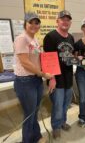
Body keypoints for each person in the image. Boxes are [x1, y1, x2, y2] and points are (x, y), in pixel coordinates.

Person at [13, 12, 53, 143]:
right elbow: (25, 63)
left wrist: (48, 66)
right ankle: (27, 140)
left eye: (37, 23)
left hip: (35, 80)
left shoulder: (34, 39)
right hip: (25, 82)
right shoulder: (21, 39)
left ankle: (36, 136)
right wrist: (42, 74)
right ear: (25, 23)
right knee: (29, 115)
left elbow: (37, 59)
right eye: (31, 22)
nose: (34, 25)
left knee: (34, 112)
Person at [43, 10, 74, 139]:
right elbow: (47, 60)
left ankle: (62, 122)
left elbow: (72, 56)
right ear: (57, 21)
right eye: (63, 19)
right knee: (58, 105)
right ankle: (56, 126)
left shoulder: (71, 37)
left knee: (66, 103)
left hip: (68, 77)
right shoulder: (50, 37)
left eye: (67, 19)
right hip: (56, 79)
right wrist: (52, 79)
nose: (65, 22)